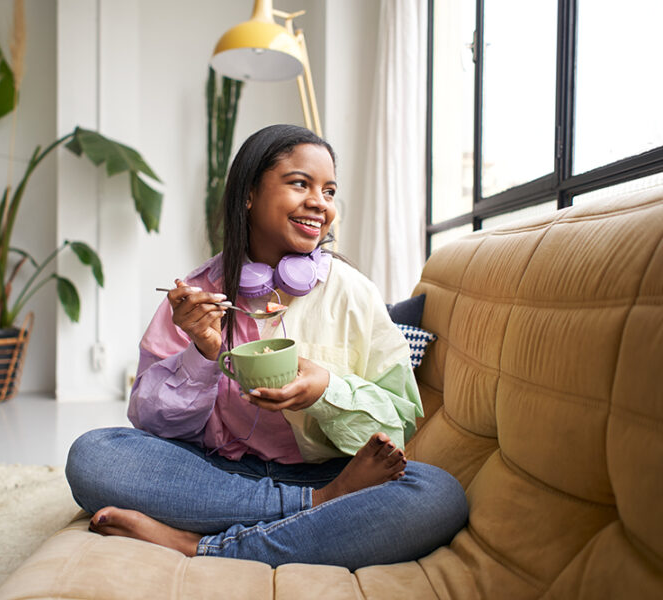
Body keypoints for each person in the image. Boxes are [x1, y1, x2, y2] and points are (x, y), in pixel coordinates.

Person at [65, 124, 468, 570]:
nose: (320, 202)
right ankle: (315, 504)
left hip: (328, 468)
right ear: (249, 195)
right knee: (94, 456)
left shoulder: (353, 293)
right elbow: (147, 419)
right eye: (301, 183)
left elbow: (399, 422)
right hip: (213, 472)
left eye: (329, 191)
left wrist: (326, 391)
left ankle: (197, 545)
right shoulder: (198, 295)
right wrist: (202, 354)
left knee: (438, 494)